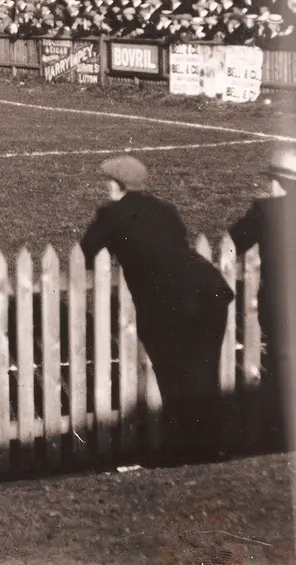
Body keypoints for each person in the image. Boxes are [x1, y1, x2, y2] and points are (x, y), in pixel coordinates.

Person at [80, 156, 234, 463]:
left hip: (169, 301)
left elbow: (85, 251)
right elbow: (176, 241)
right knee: (202, 372)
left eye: (109, 182)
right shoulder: (166, 209)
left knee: (172, 374)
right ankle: (210, 447)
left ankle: (178, 450)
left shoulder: (111, 214)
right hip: (209, 290)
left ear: (117, 185)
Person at [229, 147, 296, 447]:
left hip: (283, 309)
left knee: (284, 368)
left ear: (278, 182)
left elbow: (231, 243)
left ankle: (287, 431)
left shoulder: (266, 211)